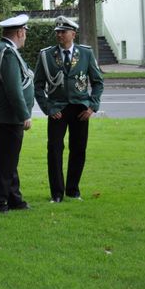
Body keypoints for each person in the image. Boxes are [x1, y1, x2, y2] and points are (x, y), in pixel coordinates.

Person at [34, 16, 104, 202]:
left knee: (78, 149)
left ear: (73, 34)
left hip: (80, 109)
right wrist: (48, 108)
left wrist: (92, 106)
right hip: (57, 109)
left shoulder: (86, 53)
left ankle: (73, 190)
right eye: (57, 32)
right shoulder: (46, 55)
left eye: (63, 32)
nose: (59, 35)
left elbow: (98, 82)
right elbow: (38, 85)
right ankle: (56, 194)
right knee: (54, 150)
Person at [0, 14, 35, 214]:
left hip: (5, 115)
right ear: (19, 32)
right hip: (8, 117)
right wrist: (24, 114)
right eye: (25, 33)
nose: (25, 37)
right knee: (5, 162)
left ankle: (14, 198)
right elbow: (13, 89)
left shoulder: (1, 49)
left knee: (9, 160)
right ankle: (0, 203)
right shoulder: (7, 53)